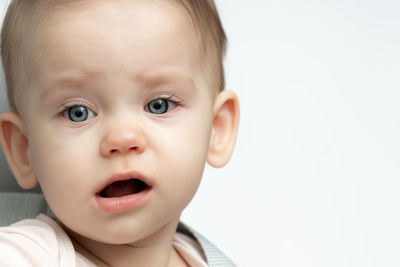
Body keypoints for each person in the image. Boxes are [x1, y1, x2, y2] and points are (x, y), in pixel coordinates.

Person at [0, 0, 240, 266]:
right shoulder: (24, 256)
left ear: (216, 128)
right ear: (24, 149)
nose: (122, 139)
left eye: (158, 105)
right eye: (77, 112)